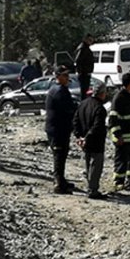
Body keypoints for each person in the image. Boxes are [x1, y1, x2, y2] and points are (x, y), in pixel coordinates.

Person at [73, 83, 108, 199]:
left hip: (84, 140)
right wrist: (86, 138)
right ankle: (93, 190)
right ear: (102, 94)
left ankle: (90, 186)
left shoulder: (83, 104)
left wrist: (79, 137)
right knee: (96, 166)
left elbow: (75, 121)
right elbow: (97, 126)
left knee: (88, 164)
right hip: (96, 141)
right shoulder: (100, 108)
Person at [45, 66, 77, 194]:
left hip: (61, 128)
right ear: (58, 76)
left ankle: (61, 179)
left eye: (68, 75)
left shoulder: (60, 89)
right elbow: (67, 109)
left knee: (62, 155)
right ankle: (58, 184)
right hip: (57, 129)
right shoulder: (58, 91)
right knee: (59, 155)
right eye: (65, 75)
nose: (67, 78)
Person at [75, 34, 95, 99]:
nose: (91, 41)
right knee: (84, 92)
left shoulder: (86, 48)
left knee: (86, 91)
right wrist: (80, 72)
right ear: (85, 39)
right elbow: (78, 60)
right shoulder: (83, 48)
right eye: (89, 40)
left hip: (86, 73)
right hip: (84, 74)